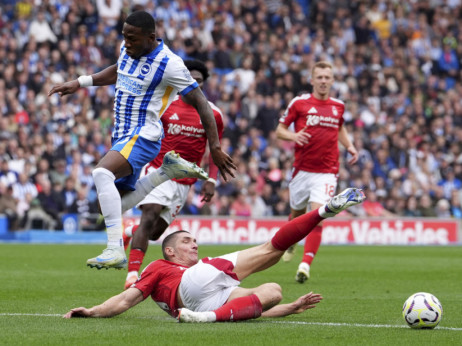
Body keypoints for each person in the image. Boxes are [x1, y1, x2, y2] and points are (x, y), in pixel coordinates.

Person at [48, 11, 236, 270]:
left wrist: (214, 147)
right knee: (114, 206)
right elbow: (118, 71)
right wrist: (80, 82)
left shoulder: (170, 63)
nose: (126, 43)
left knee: (101, 173)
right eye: (125, 37)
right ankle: (163, 174)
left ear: (151, 37)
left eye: (132, 39)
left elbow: (202, 103)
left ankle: (115, 249)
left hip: (143, 134)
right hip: (122, 135)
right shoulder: (130, 50)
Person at [63, 187, 365, 322]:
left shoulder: (205, 282)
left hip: (205, 303)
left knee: (273, 290)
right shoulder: (160, 266)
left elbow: (254, 310)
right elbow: (126, 299)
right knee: (269, 249)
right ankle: (324, 211)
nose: (195, 245)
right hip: (192, 286)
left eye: (195, 241)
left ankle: (205, 319)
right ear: (170, 251)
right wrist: (93, 310)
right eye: (187, 242)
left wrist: (292, 308)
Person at [122, 59, 224, 289]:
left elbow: (216, 149)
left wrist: (211, 179)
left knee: (155, 231)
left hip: (184, 181)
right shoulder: (166, 106)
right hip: (159, 171)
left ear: (203, 84)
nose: (194, 84)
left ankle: (130, 231)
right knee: (149, 214)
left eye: (199, 81)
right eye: (191, 79)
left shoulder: (213, 114)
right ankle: (132, 275)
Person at [275, 61, 359, 283]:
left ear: (332, 80)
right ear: (312, 80)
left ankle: (305, 265)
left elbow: (340, 127)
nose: (323, 81)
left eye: (327, 77)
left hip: (327, 171)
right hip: (301, 170)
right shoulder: (299, 103)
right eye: (319, 77)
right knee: (296, 215)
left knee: (318, 216)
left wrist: (349, 145)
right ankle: (292, 242)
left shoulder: (338, 106)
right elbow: (279, 130)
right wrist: (293, 136)